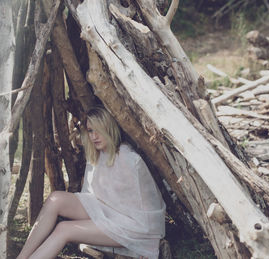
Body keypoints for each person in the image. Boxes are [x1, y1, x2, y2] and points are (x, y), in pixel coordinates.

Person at [17, 106, 166, 259]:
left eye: (98, 130)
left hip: (132, 225)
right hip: (104, 211)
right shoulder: (98, 155)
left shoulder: (129, 159)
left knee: (64, 229)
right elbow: (92, 196)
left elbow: (146, 210)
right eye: (90, 131)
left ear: (109, 129)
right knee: (55, 199)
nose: (94, 136)